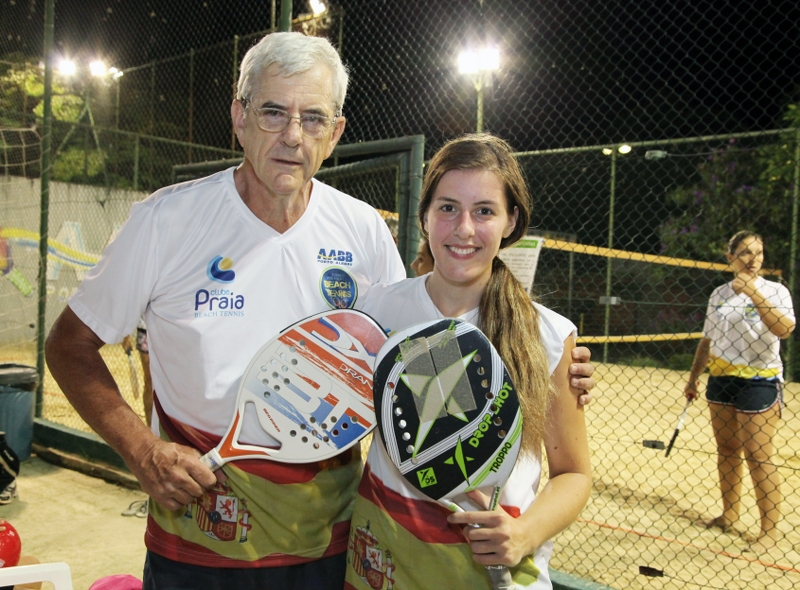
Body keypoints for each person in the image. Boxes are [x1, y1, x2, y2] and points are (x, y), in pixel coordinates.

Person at [45, 33, 596, 590]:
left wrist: (550, 364)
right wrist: (143, 451)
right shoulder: (165, 221)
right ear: (239, 117)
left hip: (330, 553)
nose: (292, 135)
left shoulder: (362, 229)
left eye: (312, 118)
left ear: (334, 134)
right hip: (198, 544)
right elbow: (68, 346)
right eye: (273, 112)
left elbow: (412, 353)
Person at [345, 134, 592, 589]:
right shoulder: (378, 311)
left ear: (511, 220)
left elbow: (573, 474)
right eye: (447, 208)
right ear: (424, 216)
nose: (463, 229)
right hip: (383, 562)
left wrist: (524, 533)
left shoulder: (548, 334)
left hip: (495, 573)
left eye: (484, 211)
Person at [684, 231, 795, 554]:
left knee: (759, 456)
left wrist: (754, 294)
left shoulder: (775, 290)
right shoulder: (719, 293)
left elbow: (785, 330)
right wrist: (693, 378)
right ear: (730, 256)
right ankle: (729, 514)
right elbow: (707, 340)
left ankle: (768, 532)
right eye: (745, 252)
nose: (753, 259)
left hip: (760, 380)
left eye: (758, 253)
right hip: (722, 378)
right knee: (727, 449)